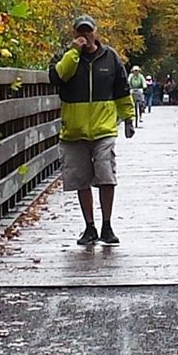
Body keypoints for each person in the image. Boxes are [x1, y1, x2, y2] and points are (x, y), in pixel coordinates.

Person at [49, 15, 135, 246]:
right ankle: (90, 227)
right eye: (80, 32)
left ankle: (107, 225)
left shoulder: (111, 57)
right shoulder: (66, 56)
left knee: (106, 176)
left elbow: (121, 89)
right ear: (74, 33)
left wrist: (128, 118)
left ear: (95, 32)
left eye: (88, 31)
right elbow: (57, 77)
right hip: (74, 130)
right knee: (81, 179)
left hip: (103, 128)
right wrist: (74, 53)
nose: (84, 36)